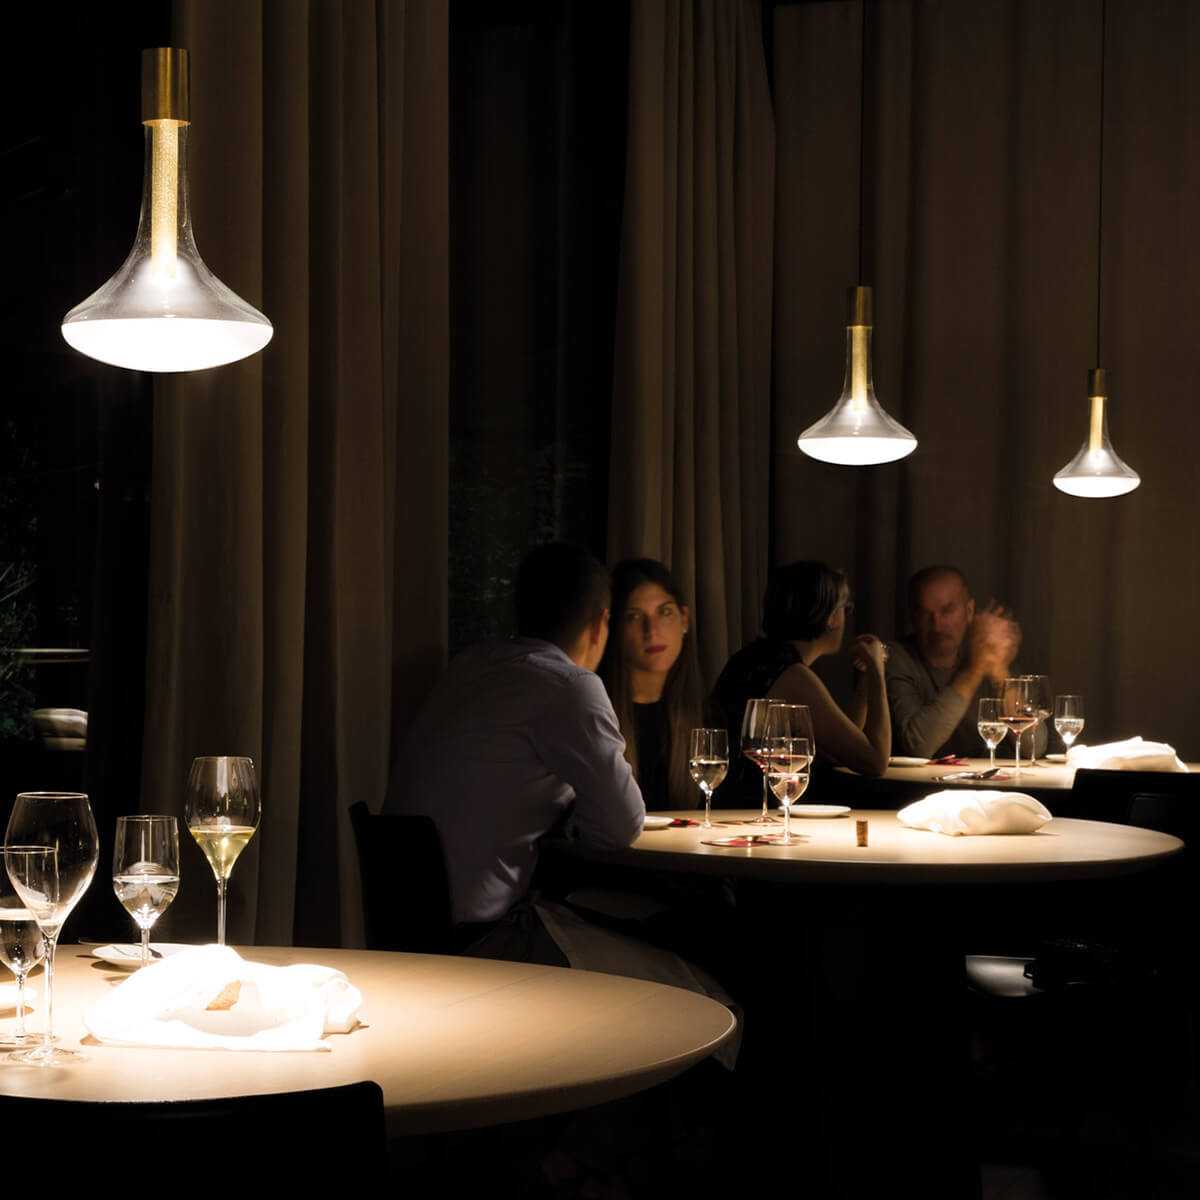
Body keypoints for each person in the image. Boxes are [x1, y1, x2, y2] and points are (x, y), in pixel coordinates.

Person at [383, 542, 644, 959]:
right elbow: (622, 826)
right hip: (485, 940)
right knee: (693, 977)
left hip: (405, 925)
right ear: (600, 624)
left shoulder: (468, 667)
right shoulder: (569, 686)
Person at [711, 561, 891, 793]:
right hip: (752, 804)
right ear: (831, 618)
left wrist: (866, 680)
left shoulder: (760, 658)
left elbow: (842, 749)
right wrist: (877, 671)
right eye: (845, 609)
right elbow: (875, 762)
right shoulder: (791, 676)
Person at [886, 564, 1023, 759]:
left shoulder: (987, 647)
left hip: (985, 777)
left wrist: (1001, 674)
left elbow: (1033, 745)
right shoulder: (895, 657)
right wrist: (974, 671)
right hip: (918, 779)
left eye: (947, 610)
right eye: (925, 613)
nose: (937, 625)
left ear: (969, 611)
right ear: (913, 617)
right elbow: (917, 746)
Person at [599, 558, 704, 810]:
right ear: (613, 627)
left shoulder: (708, 718)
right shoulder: (597, 717)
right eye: (634, 616)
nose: (652, 630)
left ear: (684, 619)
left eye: (664, 612)